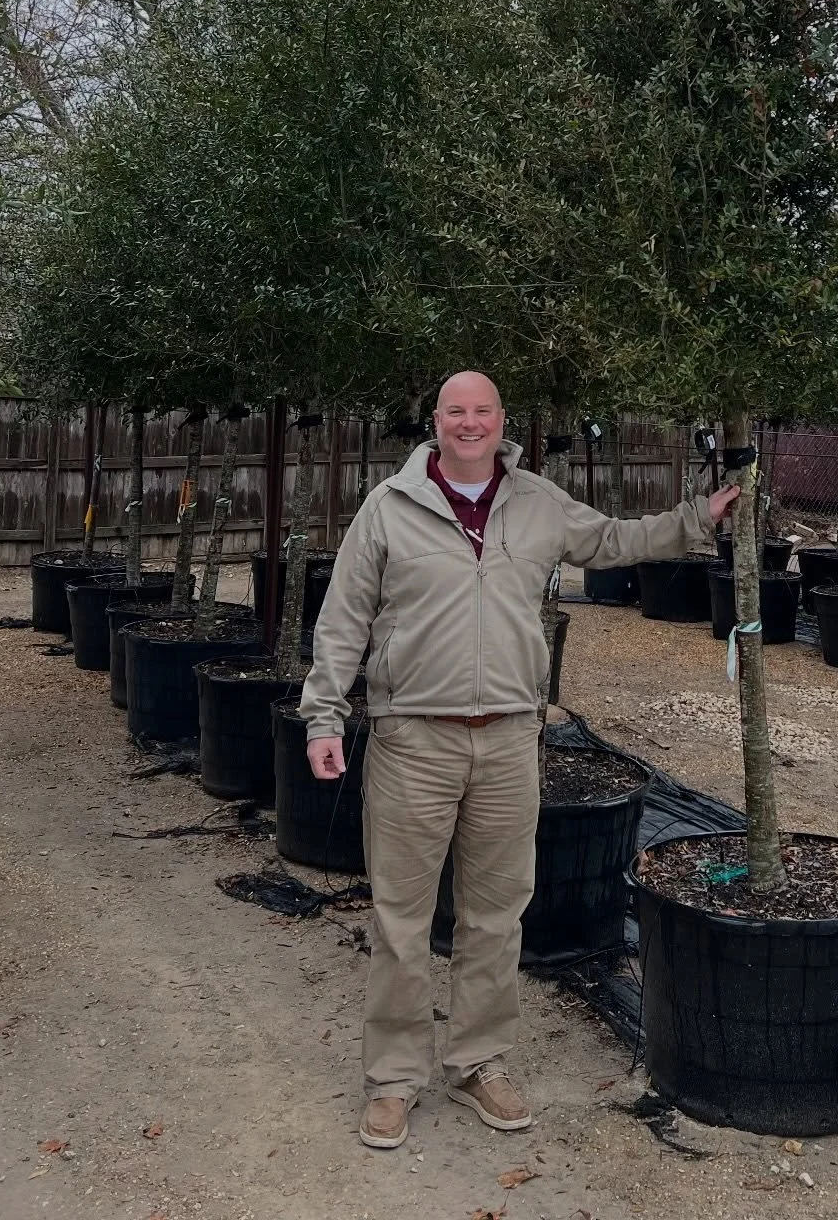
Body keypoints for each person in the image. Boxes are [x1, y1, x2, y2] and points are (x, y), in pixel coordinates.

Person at [299, 371, 739, 1150]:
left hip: (508, 741)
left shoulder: (537, 502)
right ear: (434, 421)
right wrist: (322, 716)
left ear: (503, 423)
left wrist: (693, 519)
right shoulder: (388, 508)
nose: (470, 423)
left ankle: (478, 1063)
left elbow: (613, 541)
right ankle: (394, 1080)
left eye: (483, 411)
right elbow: (344, 619)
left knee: (496, 915)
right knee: (401, 919)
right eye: (455, 411)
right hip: (412, 740)